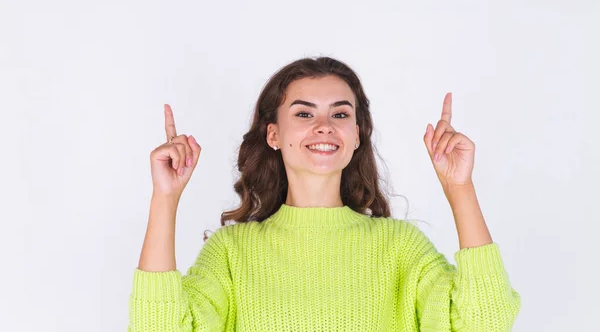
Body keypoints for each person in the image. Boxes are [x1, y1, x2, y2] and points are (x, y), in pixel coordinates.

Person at [128, 57, 521, 331]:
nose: (324, 126)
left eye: (339, 114)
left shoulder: (400, 247)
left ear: (355, 136)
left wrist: (459, 188)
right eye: (303, 113)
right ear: (274, 135)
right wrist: (165, 199)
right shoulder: (232, 252)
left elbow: (486, 320)